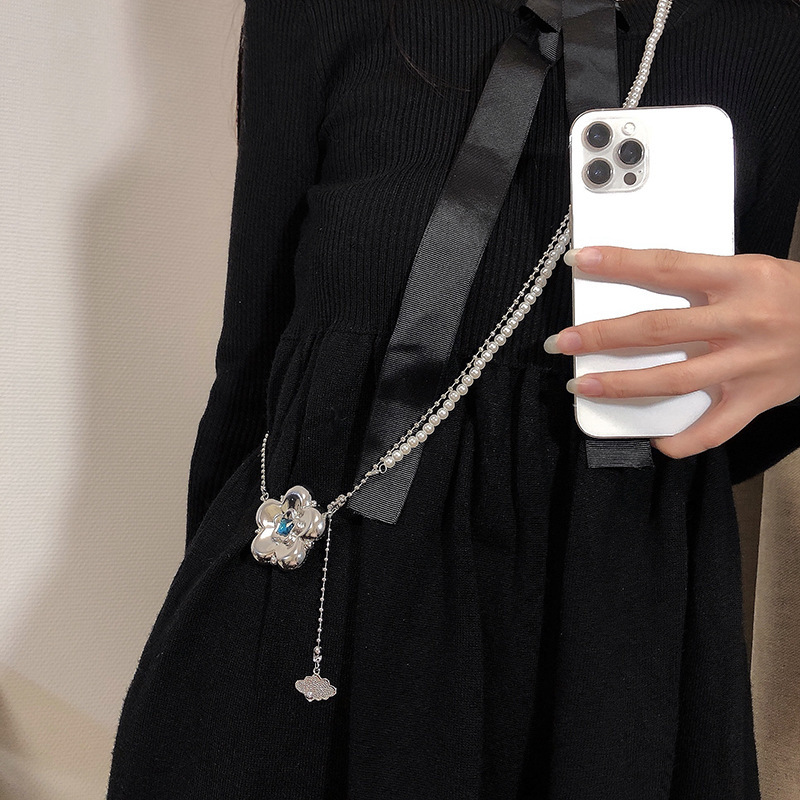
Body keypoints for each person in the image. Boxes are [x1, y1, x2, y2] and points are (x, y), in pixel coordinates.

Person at [106, 0, 800, 797]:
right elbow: (253, 365)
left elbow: (725, 415)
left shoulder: (765, 27)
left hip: (614, 636)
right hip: (333, 615)